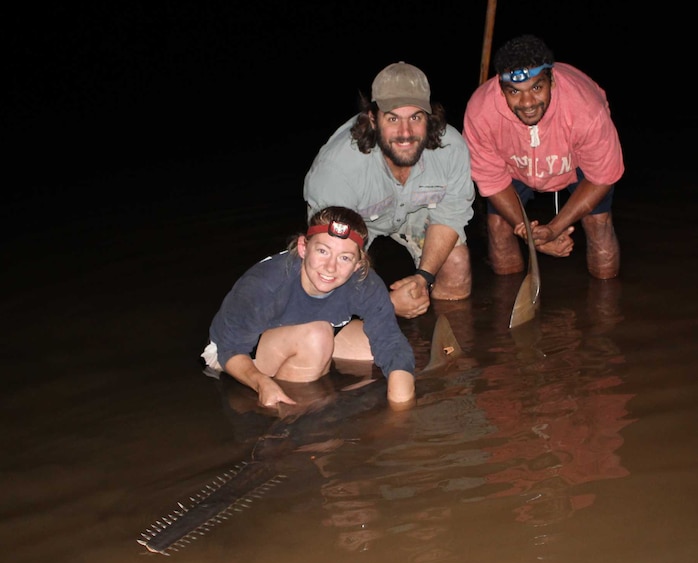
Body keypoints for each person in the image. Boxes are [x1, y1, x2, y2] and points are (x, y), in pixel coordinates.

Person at [304, 62, 475, 320]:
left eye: (415, 117)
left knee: (457, 263)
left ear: (429, 118)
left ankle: (448, 349)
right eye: (393, 118)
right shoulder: (337, 170)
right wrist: (387, 305)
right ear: (372, 119)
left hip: (416, 213)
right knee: (332, 285)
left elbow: (451, 216)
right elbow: (327, 260)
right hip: (354, 227)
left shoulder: (451, 148)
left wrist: (423, 277)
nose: (405, 133)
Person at [200, 206, 416, 410]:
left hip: (309, 330)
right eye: (323, 251)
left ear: (358, 264)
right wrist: (261, 384)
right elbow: (230, 348)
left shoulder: (363, 282)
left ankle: (317, 385)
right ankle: (293, 417)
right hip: (234, 350)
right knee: (317, 338)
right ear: (303, 248)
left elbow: (391, 343)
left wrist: (400, 412)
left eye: (345, 258)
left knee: (378, 354)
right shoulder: (265, 283)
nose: (331, 267)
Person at [463, 34, 624, 279]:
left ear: (553, 81)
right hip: (515, 161)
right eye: (514, 91)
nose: (527, 102)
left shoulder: (586, 109)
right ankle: (507, 303)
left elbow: (602, 177)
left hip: (575, 157)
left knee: (598, 222)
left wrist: (554, 229)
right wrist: (530, 235)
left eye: (537, 87)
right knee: (498, 226)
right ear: (501, 89)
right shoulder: (480, 112)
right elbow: (491, 181)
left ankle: (607, 308)